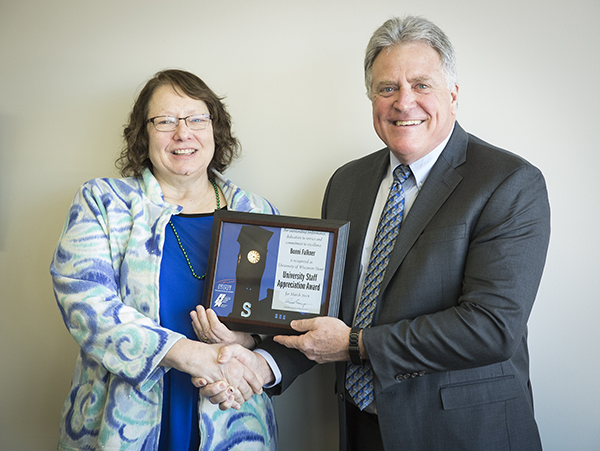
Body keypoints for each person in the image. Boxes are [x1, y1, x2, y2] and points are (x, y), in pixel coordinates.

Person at [200, 15, 551, 451]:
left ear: (454, 96)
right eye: (387, 88)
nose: (404, 102)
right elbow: (326, 311)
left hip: (464, 432)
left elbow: (491, 327)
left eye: (422, 85)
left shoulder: (508, 182)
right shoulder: (347, 183)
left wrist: (355, 344)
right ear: (371, 98)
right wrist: (258, 363)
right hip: (362, 427)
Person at [50, 69, 278, 451]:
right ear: (143, 133)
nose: (182, 133)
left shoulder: (256, 211)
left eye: (196, 119)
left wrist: (246, 338)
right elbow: (86, 304)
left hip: (231, 411)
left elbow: (280, 315)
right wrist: (193, 355)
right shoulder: (104, 202)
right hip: (122, 419)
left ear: (214, 129)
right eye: (165, 121)